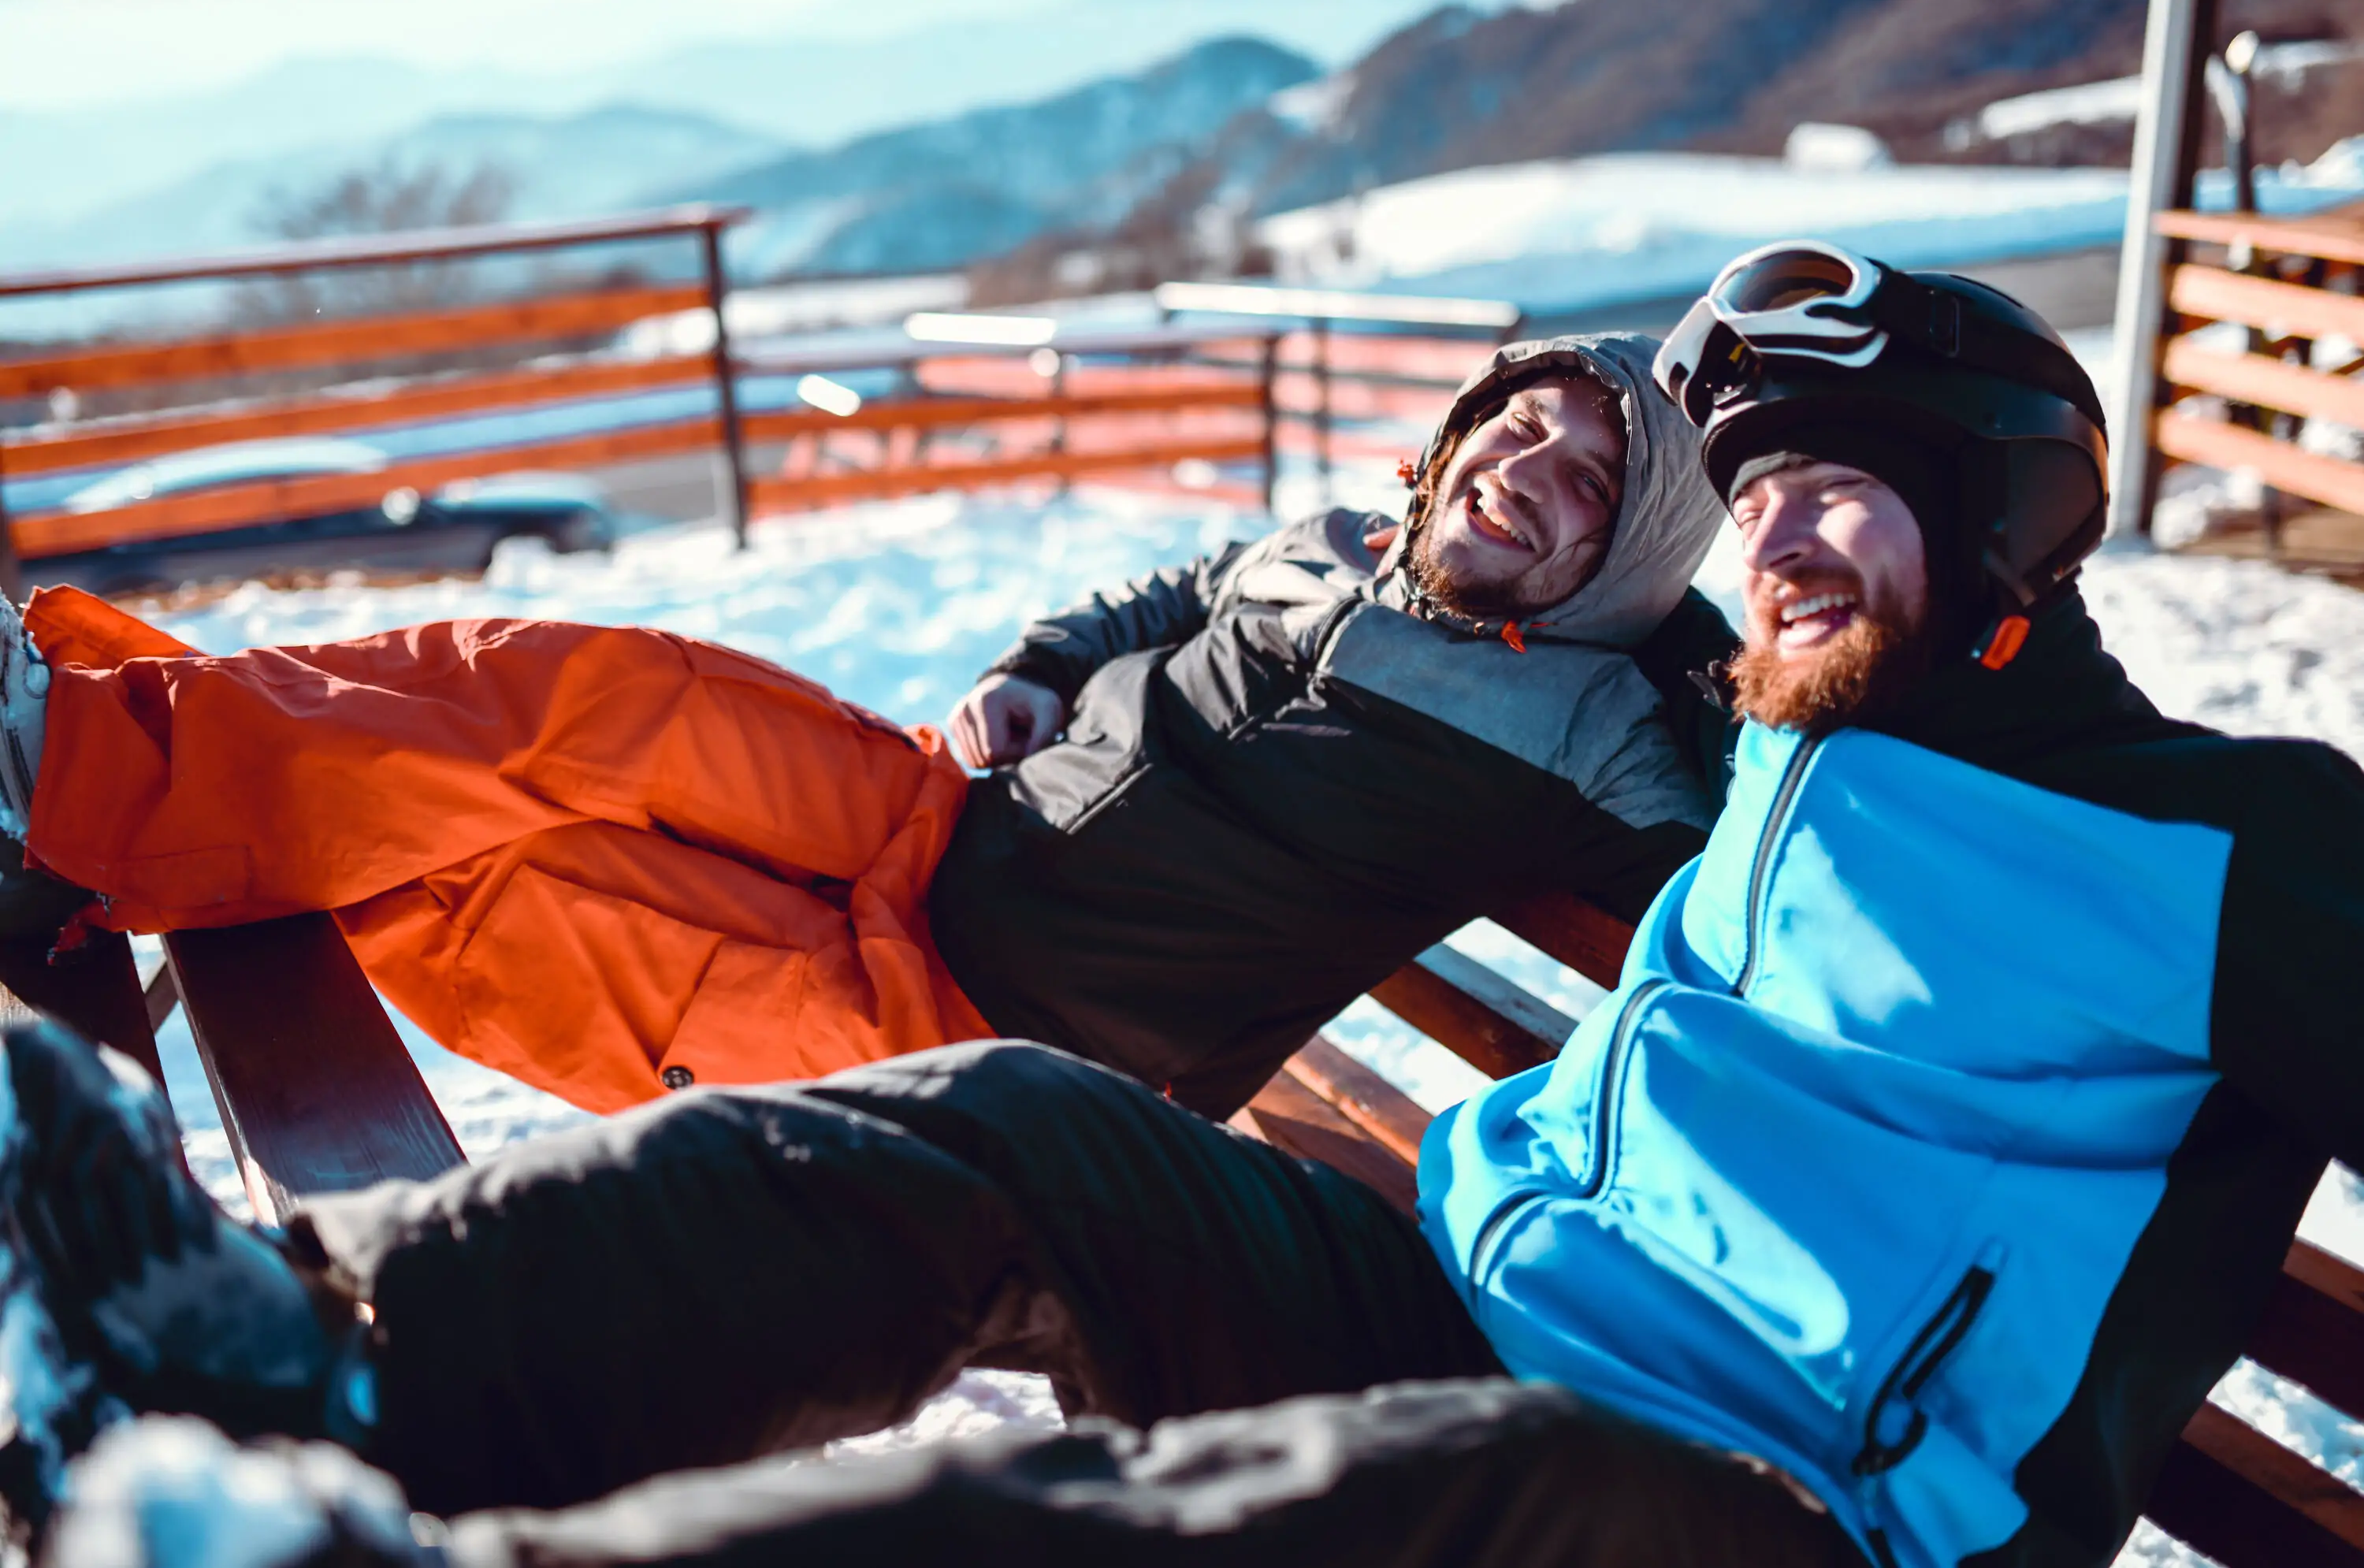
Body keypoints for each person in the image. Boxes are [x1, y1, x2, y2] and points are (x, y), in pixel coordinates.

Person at [13, 241, 2358, 1568]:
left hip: (1767, 1505)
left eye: (1842, 498)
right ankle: (293, 1350)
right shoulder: (1765, 729)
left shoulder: (2236, 842)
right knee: (1012, 1129)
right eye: (1760, 510)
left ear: (2018, 540)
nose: (1780, 544)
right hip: (1445, 1277)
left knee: (1336, 1506)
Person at [0, 333, 1728, 1121]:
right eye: (1518, 430)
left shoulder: (1596, 726)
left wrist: (1747, 639)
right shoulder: (1339, 538)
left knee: (495, 882)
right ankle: (71, 744)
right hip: (929, 806)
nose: (1524, 476)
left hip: (982, 1025)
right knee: (563, 681)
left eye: (1585, 486)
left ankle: (69, 829)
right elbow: (1165, 592)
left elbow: (1753, 842)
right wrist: (1046, 658)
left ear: (1624, 568)